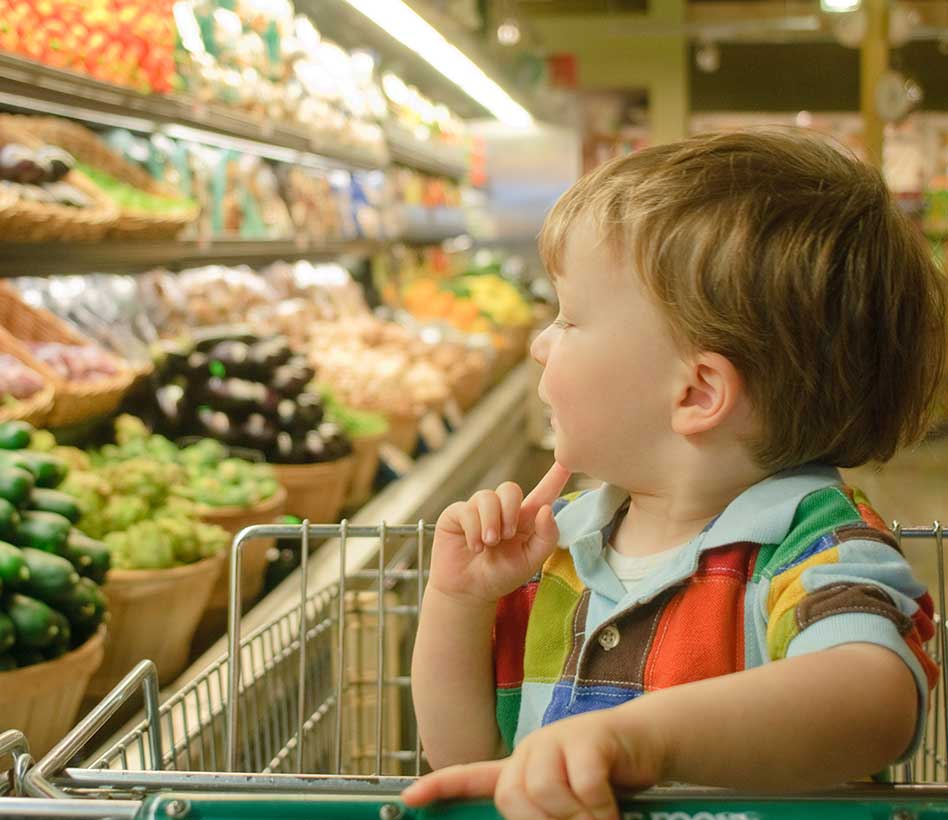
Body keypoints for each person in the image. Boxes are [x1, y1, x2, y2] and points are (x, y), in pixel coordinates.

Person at [404, 128, 948, 820]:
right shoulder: (559, 547)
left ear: (695, 394)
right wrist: (459, 601)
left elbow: (876, 702)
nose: (540, 344)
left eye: (569, 319)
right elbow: (463, 759)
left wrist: (642, 741)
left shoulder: (812, 547)